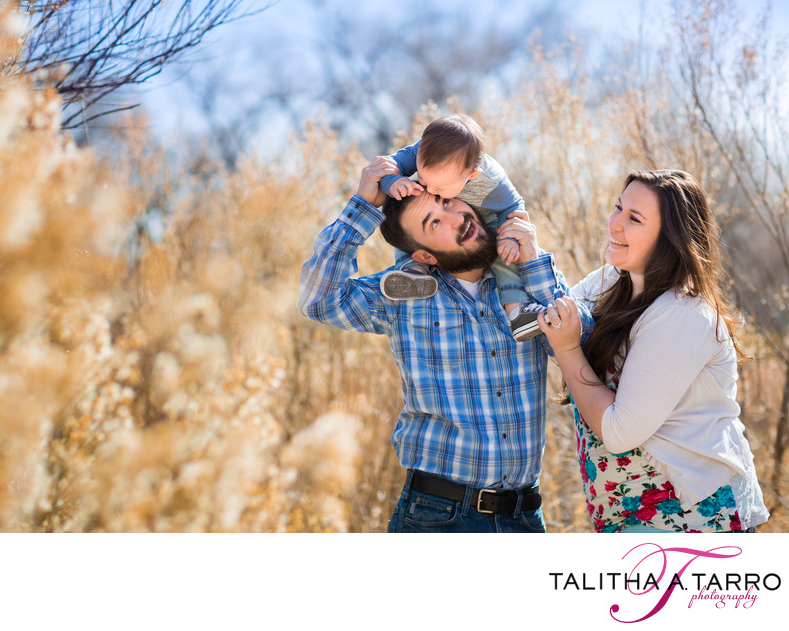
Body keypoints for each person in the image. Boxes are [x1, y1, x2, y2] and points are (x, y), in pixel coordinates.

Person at [297, 157, 593, 533]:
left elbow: (585, 345)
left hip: (524, 517)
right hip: (438, 517)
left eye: (448, 202)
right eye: (434, 222)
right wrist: (363, 207)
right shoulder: (402, 297)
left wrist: (534, 261)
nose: (457, 218)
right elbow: (317, 300)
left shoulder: (523, 281)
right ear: (422, 255)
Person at [533, 169, 770, 533]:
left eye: (634, 218)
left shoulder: (683, 313)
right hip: (634, 514)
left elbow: (618, 431)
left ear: (670, 237)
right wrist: (525, 258)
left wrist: (567, 348)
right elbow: (551, 322)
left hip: (692, 515)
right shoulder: (612, 281)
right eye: (618, 208)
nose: (614, 224)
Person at [378, 114, 544, 341]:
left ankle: (516, 310)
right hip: (435, 212)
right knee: (408, 221)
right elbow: (391, 166)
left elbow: (514, 206)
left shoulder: (493, 181)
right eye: (424, 180)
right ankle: (411, 272)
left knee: (504, 251)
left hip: (485, 215)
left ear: (472, 175)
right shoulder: (424, 151)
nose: (430, 190)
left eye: (439, 188)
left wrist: (511, 240)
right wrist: (393, 183)